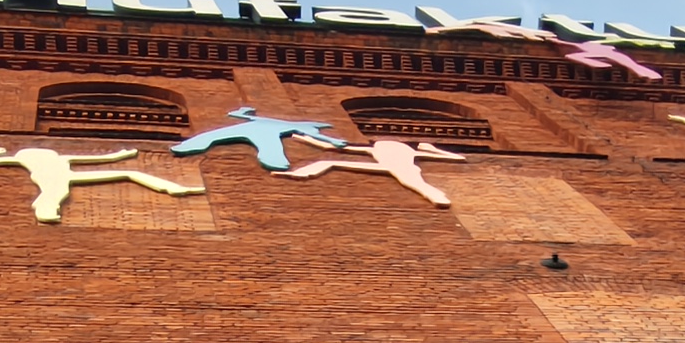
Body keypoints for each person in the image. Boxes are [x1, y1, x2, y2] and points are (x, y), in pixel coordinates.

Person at [0, 143, 204, 222]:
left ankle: (176, 189)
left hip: (69, 176)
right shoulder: (23, 159)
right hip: (49, 178)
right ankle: (45, 210)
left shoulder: (62, 157)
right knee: (55, 192)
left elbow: (103, 159)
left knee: (128, 172)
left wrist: (123, 155)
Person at [286, 135, 474, 206]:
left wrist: (432, 149)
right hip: (385, 167)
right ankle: (299, 173)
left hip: (404, 168)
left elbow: (457, 158)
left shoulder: (381, 150)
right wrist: (304, 138)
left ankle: (438, 197)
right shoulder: (374, 150)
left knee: (413, 183)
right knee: (330, 162)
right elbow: (331, 147)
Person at [166, 105, 349, 172]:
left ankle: (277, 162)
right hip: (256, 129)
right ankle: (276, 162)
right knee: (270, 149)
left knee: (212, 135)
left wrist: (334, 141)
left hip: (259, 131)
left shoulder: (296, 125)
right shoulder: (293, 124)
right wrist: (242, 112)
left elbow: (314, 134)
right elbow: (239, 115)